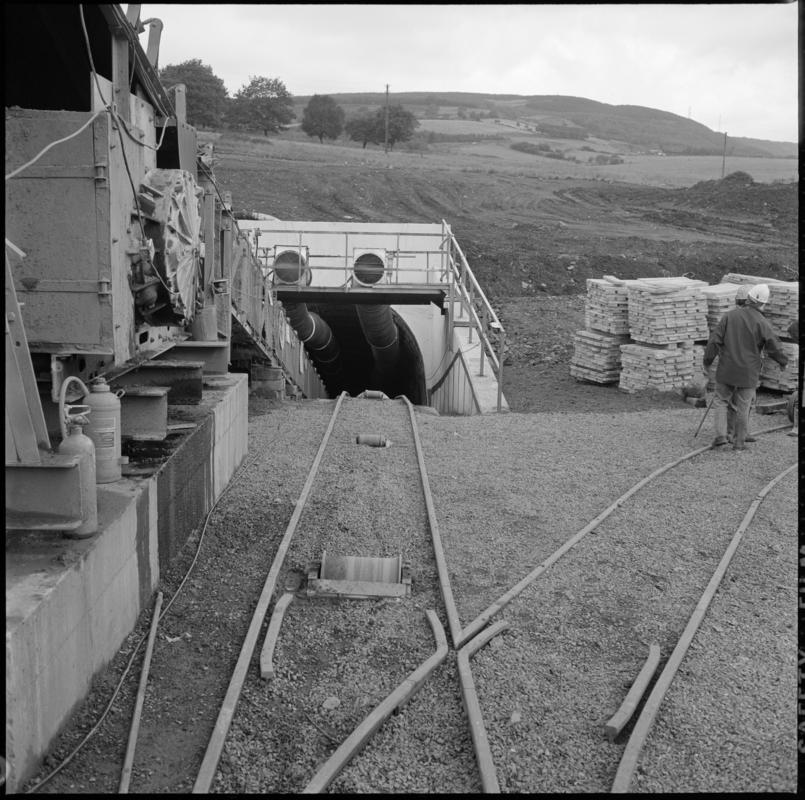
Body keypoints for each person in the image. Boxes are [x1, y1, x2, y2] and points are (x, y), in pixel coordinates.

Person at [702, 283, 788, 451]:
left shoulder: (729, 316)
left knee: (721, 401)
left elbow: (714, 341)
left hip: (727, 369)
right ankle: (739, 441)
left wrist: (707, 360)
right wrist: (782, 361)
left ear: (748, 298)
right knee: (744, 405)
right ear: (763, 303)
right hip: (748, 372)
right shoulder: (762, 322)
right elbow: (774, 346)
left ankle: (720, 436)